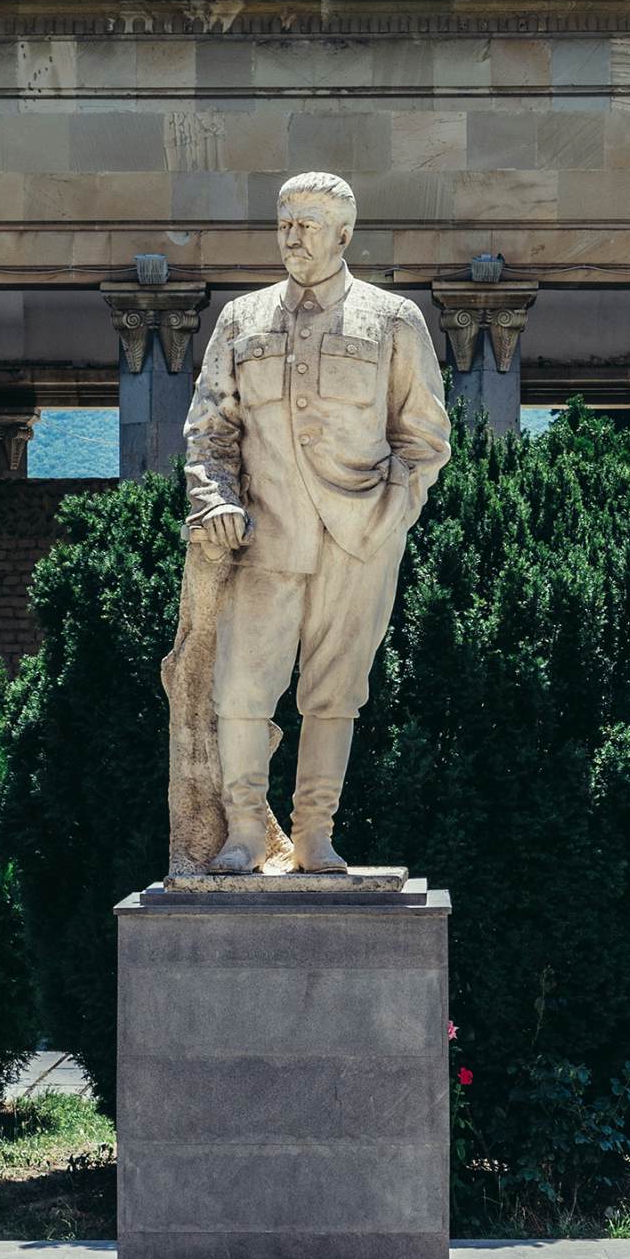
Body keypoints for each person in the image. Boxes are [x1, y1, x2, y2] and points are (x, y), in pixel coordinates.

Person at [181, 172, 452, 872]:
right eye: (284, 221)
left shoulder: (393, 320)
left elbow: (424, 438)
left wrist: (393, 513)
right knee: (240, 688)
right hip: (265, 538)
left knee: (334, 693)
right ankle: (245, 831)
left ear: (343, 234)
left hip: (360, 540)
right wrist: (214, 501)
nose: (291, 235)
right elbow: (209, 431)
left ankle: (313, 835)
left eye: (307, 223)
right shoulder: (241, 320)